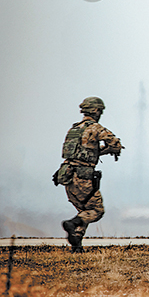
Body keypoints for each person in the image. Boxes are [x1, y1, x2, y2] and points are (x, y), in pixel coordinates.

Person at [52, 97, 123, 253]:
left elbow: (77, 152)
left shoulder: (74, 130)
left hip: (67, 175)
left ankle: (76, 245)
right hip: (83, 177)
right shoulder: (95, 128)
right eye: (100, 111)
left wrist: (96, 152)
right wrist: (108, 150)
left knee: (84, 211)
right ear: (96, 111)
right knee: (97, 210)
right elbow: (115, 144)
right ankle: (71, 224)